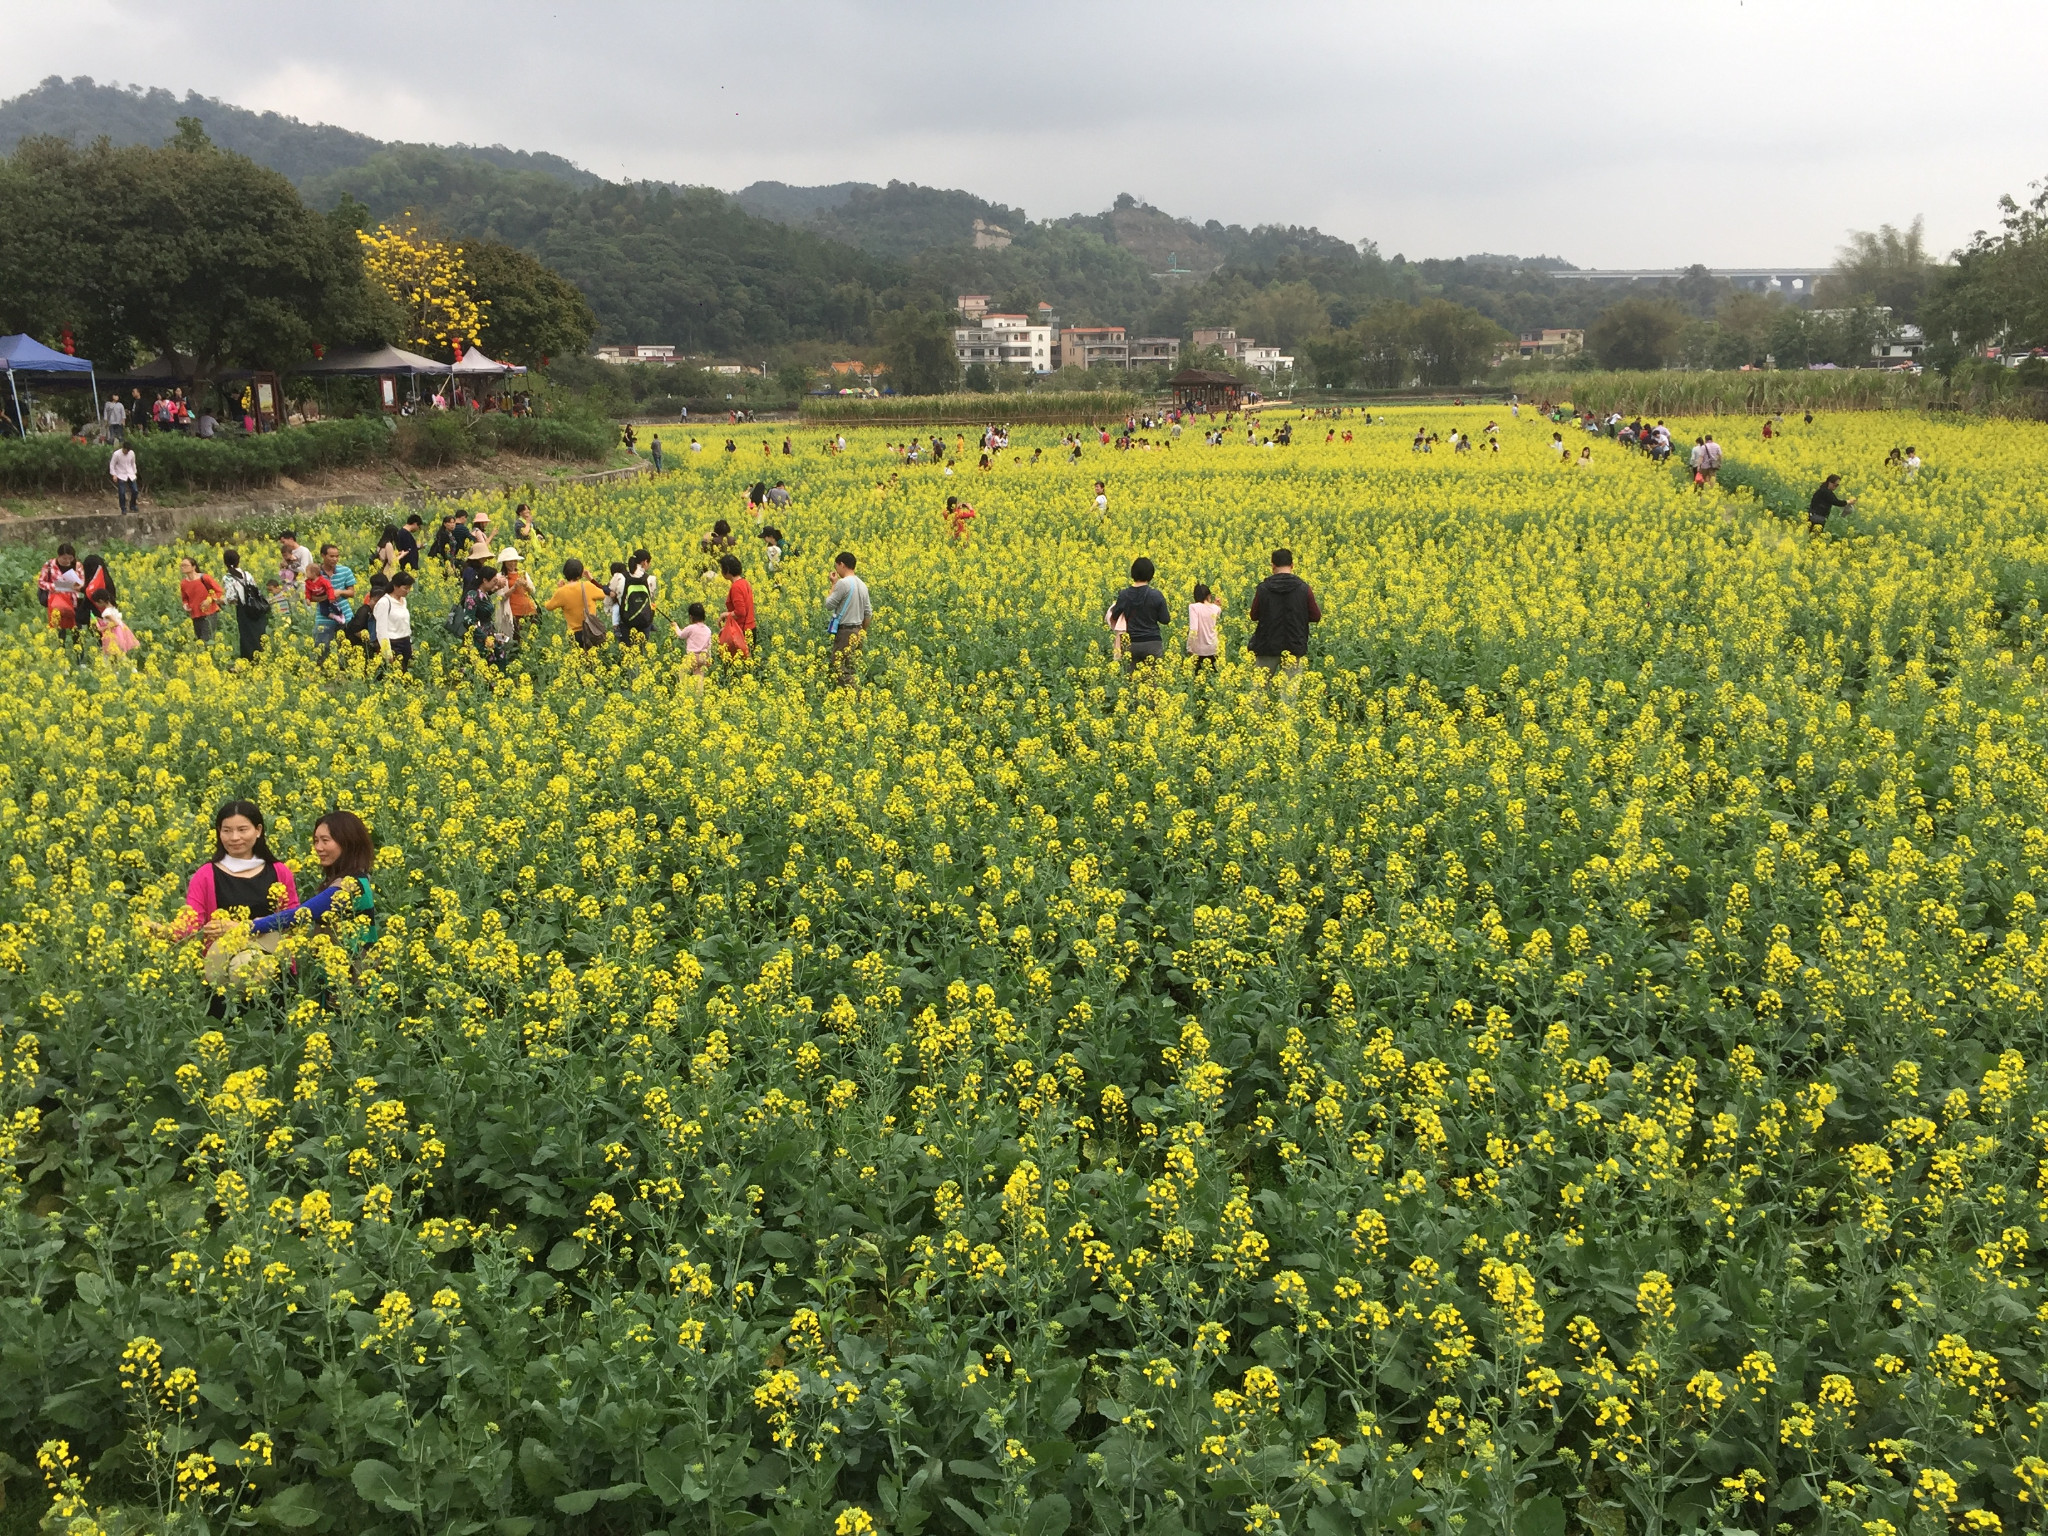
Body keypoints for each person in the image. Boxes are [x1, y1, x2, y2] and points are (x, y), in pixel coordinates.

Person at [247, 809, 379, 954]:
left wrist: (252, 926)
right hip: (340, 968)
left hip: (353, 972)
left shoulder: (349, 885)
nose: (318, 848)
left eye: (325, 840)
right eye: (316, 841)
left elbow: (301, 914)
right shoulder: (358, 877)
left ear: (347, 842)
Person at [1247, 548, 1322, 679]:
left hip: (1267, 645)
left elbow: (1254, 616)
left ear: (1273, 566)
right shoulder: (1304, 589)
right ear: (1292, 565)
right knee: (1289, 693)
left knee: (1259, 690)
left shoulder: (1263, 589)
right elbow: (1316, 616)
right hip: (1294, 645)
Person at [1108, 557, 1171, 671]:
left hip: (1131, 644)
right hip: (1152, 643)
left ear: (1132, 573)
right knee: (1153, 683)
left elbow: (1114, 616)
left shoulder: (1124, 594)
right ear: (1151, 575)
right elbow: (1165, 619)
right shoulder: (1156, 595)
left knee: (1132, 683)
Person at [825, 551, 870, 687]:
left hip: (845, 632)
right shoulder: (863, 585)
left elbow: (828, 604)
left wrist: (833, 584)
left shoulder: (843, 583)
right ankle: (854, 700)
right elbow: (868, 613)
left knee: (840, 668)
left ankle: (855, 696)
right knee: (852, 667)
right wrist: (861, 631)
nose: (836, 570)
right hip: (858, 631)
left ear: (842, 565)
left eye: (836, 566)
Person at [545, 558, 610, 649]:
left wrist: (559, 590)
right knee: (593, 659)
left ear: (565, 573)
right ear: (580, 574)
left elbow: (548, 606)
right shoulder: (587, 586)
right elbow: (606, 594)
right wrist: (591, 579)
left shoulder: (562, 592)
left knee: (578, 660)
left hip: (574, 635)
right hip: (591, 631)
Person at [221, 547, 269, 662]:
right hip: (256, 608)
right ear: (239, 560)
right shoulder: (247, 574)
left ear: (225, 562)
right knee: (257, 634)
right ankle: (261, 658)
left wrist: (220, 601)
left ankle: (248, 661)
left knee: (247, 636)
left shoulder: (228, 577)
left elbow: (231, 597)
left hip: (244, 610)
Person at [309, 543, 356, 654]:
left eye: (337, 556)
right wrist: (327, 596)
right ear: (323, 556)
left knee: (347, 652)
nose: (335, 559)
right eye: (331, 556)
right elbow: (310, 597)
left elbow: (352, 592)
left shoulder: (345, 571)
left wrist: (340, 592)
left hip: (345, 616)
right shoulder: (314, 574)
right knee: (321, 651)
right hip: (324, 618)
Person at [38, 544, 83, 639]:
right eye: (64, 558)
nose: (67, 561)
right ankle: (60, 650)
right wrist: (54, 586)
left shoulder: (77, 565)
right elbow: (41, 582)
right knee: (59, 632)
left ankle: (79, 652)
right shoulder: (49, 565)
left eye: (70, 558)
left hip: (74, 602)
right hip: (57, 602)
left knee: (77, 631)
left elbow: (82, 582)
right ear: (58, 556)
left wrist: (78, 586)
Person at [178, 555, 225, 643]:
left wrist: (209, 600)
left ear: (194, 567)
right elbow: (185, 599)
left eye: (185, 565)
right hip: (195, 615)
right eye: (181, 565)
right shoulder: (183, 583)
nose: (182, 567)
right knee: (199, 640)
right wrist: (185, 605)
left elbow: (219, 591)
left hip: (209, 613)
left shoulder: (204, 578)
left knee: (206, 640)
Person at [375, 572, 415, 671]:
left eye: (409, 588)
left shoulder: (403, 601)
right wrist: (387, 653)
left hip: (405, 642)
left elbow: (405, 624)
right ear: (395, 586)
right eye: (405, 588)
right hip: (393, 644)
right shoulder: (384, 602)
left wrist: (409, 644)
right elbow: (381, 630)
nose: (408, 591)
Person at [498, 547, 538, 640]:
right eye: (510, 561)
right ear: (504, 562)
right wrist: (514, 587)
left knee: (531, 638)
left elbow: (532, 591)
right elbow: (501, 597)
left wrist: (526, 586)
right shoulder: (500, 577)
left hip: (530, 610)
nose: (513, 563)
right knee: (516, 639)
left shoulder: (523, 573)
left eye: (515, 561)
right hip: (514, 613)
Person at [619, 550, 657, 644]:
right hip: (645, 620)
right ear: (645, 562)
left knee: (627, 649)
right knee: (643, 648)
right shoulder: (650, 579)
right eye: (649, 562)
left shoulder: (622, 577)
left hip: (626, 620)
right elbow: (652, 598)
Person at [277, 532, 315, 625]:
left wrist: (289, 566)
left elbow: (304, 570)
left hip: (304, 584)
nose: (283, 544)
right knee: (294, 608)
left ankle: (311, 624)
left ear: (291, 539)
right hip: (291, 586)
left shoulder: (303, 551)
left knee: (307, 607)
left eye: (284, 541)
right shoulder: (288, 553)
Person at [720, 554, 755, 651]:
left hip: (742, 632)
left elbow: (740, 612)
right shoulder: (744, 582)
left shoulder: (736, 587)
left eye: (722, 569)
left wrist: (724, 615)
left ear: (726, 570)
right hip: (750, 629)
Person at [1186, 582, 1223, 672]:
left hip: (1198, 650)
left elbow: (1194, 629)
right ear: (1209, 595)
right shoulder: (1215, 608)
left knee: (1198, 678)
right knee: (1213, 678)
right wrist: (1217, 604)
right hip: (1214, 649)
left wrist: (1189, 647)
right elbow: (1217, 611)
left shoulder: (1193, 607)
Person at [672, 601, 713, 678]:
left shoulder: (691, 628)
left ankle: (684, 688)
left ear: (691, 617)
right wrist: (709, 659)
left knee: (682, 672)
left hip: (692, 656)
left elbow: (681, 635)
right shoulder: (708, 630)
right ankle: (698, 689)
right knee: (699, 676)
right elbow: (709, 645)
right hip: (703, 657)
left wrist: (675, 626)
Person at [91, 591, 137, 656]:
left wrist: (102, 628)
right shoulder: (112, 607)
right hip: (121, 631)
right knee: (118, 652)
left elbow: (115, 623)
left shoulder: (106, 613)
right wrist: (100, 620)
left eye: (96, 602)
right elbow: (111, 620)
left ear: (101, 601)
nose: (96, 605)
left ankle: (112, 665)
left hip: (114, 633)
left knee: (111, 653)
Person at [110, 442, 139, 513]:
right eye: (126, 450)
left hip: (130, 473)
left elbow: (133, 463)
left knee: (135, 490)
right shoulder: (117, 454)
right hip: (121, 474)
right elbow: (112, 464)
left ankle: (133, 505)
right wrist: (114, 474)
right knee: (122, 492)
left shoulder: (132, 453)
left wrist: (134, 472)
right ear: (123, 448)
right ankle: (123, 508)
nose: (127, 452)